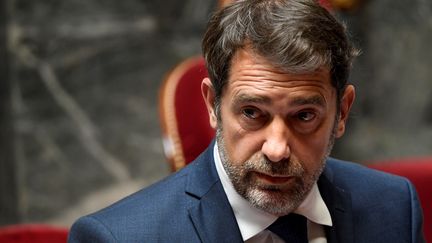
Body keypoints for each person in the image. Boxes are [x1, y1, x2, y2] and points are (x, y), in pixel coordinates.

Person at [68, 0, 425, 242]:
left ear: (342, 112)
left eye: (304, 116)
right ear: (212, 104)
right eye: (252, 113)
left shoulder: (393, 208)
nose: (277, 149)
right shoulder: (120, 238)